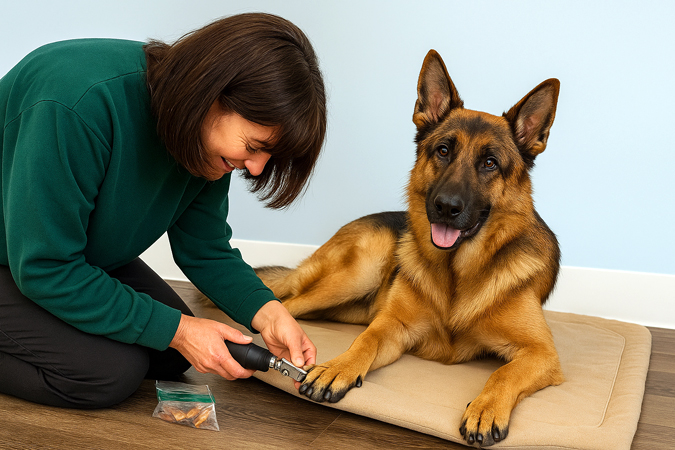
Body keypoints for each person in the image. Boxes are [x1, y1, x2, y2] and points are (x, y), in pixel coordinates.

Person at [0, 12, 325, 409]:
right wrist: (180, 329)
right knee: (107, 372)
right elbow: (45, 266)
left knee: (169, 354)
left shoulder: (202, 138)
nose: (255, 168)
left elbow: (205, 250)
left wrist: (267, 312)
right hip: (33, 259)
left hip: (67, 255)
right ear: (214, 96)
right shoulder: (76, 104)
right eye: (254, 147)